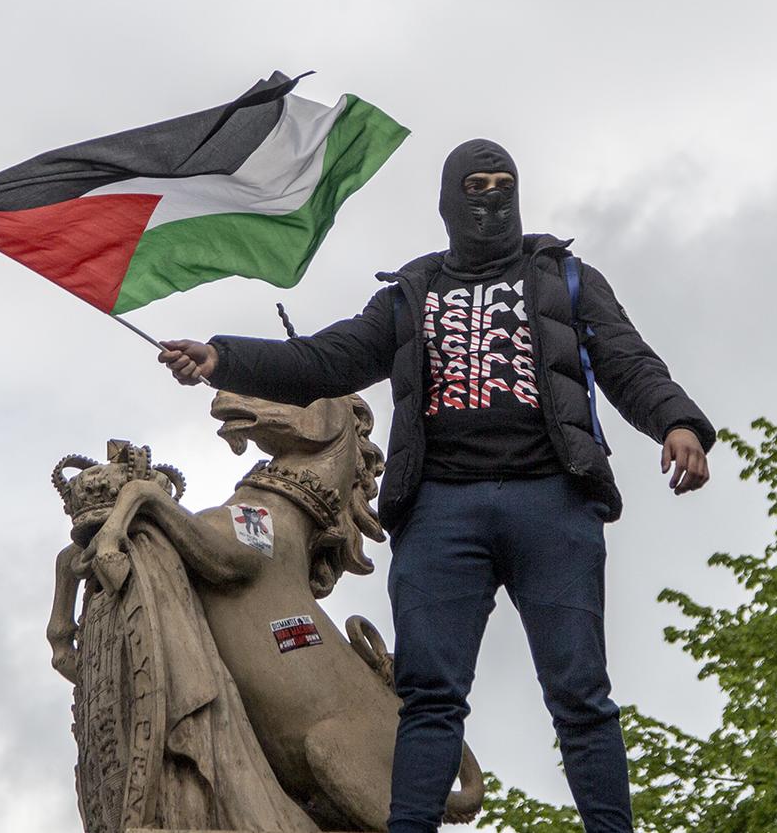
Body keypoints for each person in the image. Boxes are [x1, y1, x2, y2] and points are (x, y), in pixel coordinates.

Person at [158, 138, 712, 833]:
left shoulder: (563, 277)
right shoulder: (409, 296)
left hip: (552, 499)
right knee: (429, 697)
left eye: (502, 182)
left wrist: (677, 422)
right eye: (475, 184)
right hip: (443, 511)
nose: (489, 196)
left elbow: (628, 360)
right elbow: (325, 359)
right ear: (450, 200)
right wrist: (223, 358)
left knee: (580, 692)